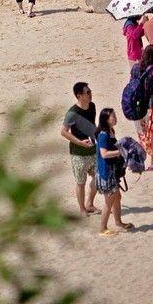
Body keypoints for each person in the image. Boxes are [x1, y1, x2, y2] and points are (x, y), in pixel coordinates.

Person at [61, 82, 98, 215]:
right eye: (87, 92)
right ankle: (82, 209)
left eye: (90, 91)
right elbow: (63, 132)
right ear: (79, 96)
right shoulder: (72, 113)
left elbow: (92, 126)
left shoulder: (92, 106)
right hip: (78, 153)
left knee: (97, 177)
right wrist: (80, 142)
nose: (90, 94)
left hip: (93, 150)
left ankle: (90, 203)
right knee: (81, 182)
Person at [94, 108, 132, 235]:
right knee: (109, 201)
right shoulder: (103, 135)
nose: (115, 118)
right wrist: (121, 152)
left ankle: (118, 222)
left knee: (117, 197)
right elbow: (104, 154)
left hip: (112, 171)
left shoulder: (111, 131)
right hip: (106, 173)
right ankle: (102, 228)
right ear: (106, 119)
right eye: (113, 116)